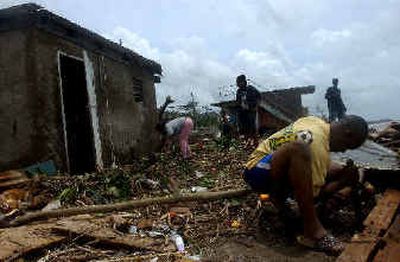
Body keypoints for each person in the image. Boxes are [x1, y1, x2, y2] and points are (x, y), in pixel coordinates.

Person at [243, 115, 368, 255]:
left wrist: (345, 176)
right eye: (347, 146)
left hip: (276, 166)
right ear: (347, 134)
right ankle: (312, 230)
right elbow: (312, 197)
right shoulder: (316, 142)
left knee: (340, 169)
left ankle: (285, 203)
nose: (343, 151)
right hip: (257, 170)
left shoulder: (316, 122)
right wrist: (341, 183)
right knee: (299, 149)